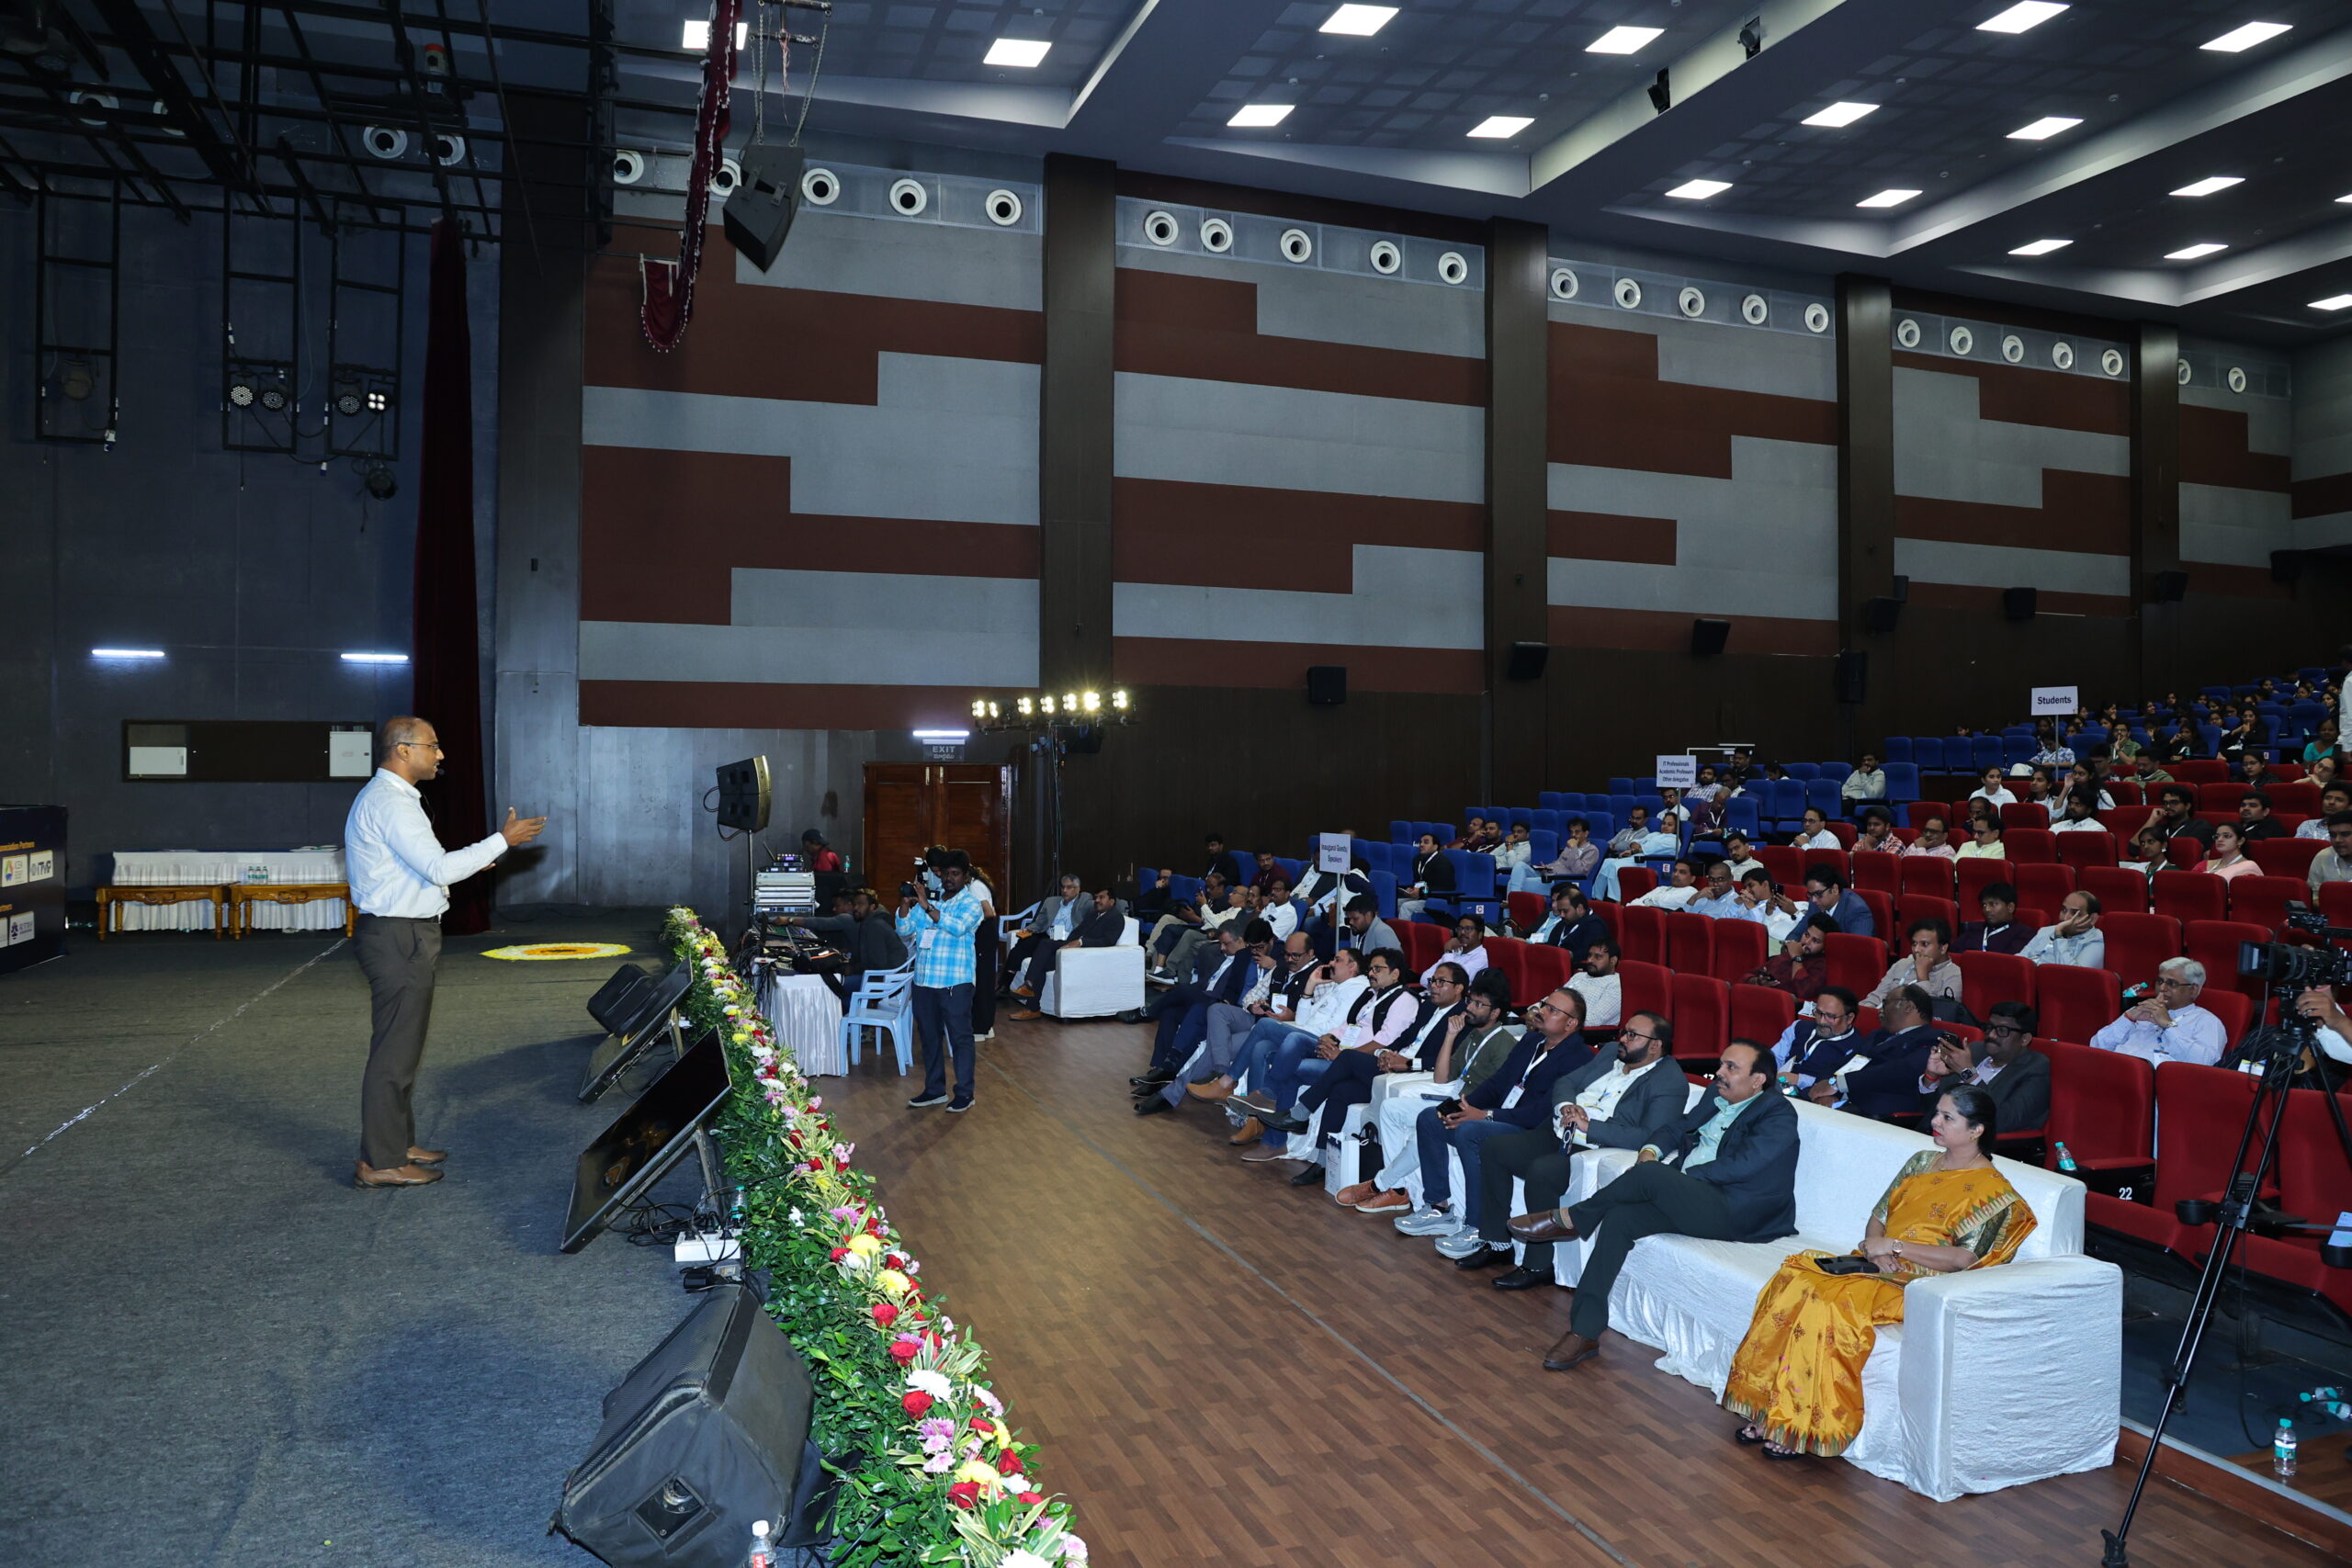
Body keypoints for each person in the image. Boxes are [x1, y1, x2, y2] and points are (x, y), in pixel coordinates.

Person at [1721, 1086, 2036, 1459]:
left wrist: (1895, 1248)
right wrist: (1876, 1245)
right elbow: (1879, 1216)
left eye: (1947, 1117)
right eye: (1937, 1112)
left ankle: (1799, 1425)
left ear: (1976, 1130)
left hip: (1921, 1282)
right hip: (1875, 1262)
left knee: (1830, 1301)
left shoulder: (1996, 1194)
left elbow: (1965, 1261)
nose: (1935, 1121)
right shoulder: (1922, 1162)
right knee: (1794, 1278)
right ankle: (1769, 1409)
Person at [1507, 1040, 1799, 1371]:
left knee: (1650, 1176)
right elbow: (1678, 1127)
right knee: (1620, 1218)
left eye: (1731, 1067)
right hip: (1695, 1196)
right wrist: (1651, 1150)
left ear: (1758, 1080)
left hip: (1737, 1210)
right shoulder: (1718, 1094)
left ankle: (1571, 1219)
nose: (1719, 1072)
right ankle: (1583, 1331)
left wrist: (1674, 1178)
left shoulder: (1777, 1112)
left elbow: (1745, 1165)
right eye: (1721, 1064)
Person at [344, 716, 546, 1189]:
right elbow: (437, 869)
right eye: (432, 746)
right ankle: (381, 1162)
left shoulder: (393, 798)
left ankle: (396, 1144)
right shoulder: (391, 803)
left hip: (402, 934)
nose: (440, 755)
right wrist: (502, 840)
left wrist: (473, 860)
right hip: (399, 937)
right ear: (403, 750)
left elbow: (419, 869)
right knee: (394, 1053)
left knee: (403, 1047)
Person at [1472, 1014, 1691, 1286]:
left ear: (1655, 1045)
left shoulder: (1669, 1082)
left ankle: (1537, 1265)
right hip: (1559, 1130)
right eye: (1624, 1032)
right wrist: (1567, 1106)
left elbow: (1648, 1136)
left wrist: (1590, 1127)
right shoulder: (1611, 1053)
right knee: (1495, 1148)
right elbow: (1567, 1083)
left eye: (1632, 1035)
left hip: (1591, 1145)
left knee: (1543, 1170)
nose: (1622, 1039)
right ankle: (1497, 1244)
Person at [1393, 988, 1591, 1257]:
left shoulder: (1579, 1058)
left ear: (1571, 1023)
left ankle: (1477, 1227)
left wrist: (1484, 1115)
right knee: (1432, 1117)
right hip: (1498, 1116)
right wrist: (1464, 1107)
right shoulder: (1531, 1040)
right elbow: (1498, 1082)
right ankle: (1438, 1208)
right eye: (1545, 1005)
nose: (1542, 1011)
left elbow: (1541, 1113)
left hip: (1528, 1130)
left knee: (1471, 1131)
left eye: (1552, 1010)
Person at [1338, 969, 1522, 1214]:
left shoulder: (1503, 1044)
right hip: (1453, 1099)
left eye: (1479, 1004)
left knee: (1423, 1133)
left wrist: (1464, 1108)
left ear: (1495, 1012)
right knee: (1390, 1108)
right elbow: (1441, 1077)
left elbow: (1497, 1095)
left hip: (1471, 1110)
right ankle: (1398, 1189)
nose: (1470, 1008)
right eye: (1471, 1001)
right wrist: (1450, 1036)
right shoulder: (1473, 1035)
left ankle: (1381, 1184)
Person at [1234, 948, 1422, 1176]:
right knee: (1292, 1040)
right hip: (1341, 1051)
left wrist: (1341, 1054)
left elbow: (1385, 1040)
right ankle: (1268, 1098)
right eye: (1371, 968)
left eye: (1378, 969)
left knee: (1296, 1068)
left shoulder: (1404, 1000)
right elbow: (1348, 1026)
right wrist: (1328, 1038)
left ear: (1395, 974)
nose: (1372, 973)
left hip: (1360, 1062)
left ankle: (1274, 1139)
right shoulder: (1371, 994)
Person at [1279, 960, 1473, 1159]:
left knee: (1348, 1057)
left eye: (1441, 982)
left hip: (1414, 1074)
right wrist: (1384, 1054)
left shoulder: (1463, 1020)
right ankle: (1323, 1161)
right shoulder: (1428, 1007)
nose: (1433, 986)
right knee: (1340, 1090)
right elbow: (1403, 1038)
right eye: (1432, 981)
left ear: (1458, 988)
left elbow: (1450, 1061)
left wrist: (1407, 1064)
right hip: (1392, 1065)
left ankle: (1301, 1112)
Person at [1126, 918, 1265, 1088]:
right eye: (1221, 943)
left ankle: (1148, 1013)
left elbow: (1234, 993)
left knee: (1187, 994)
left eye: (1226, 944)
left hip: (1218, 1005)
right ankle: (1159, 1068)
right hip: (1204, 998)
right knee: (1170, 1013)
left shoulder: (1246, 961)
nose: (1222, 948)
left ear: (1240, 941)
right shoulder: (1222, 956)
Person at [899, 850, 988, 1111]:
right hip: (924, 981)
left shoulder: (971, 904)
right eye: (945, 874)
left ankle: (965, 1093)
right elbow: (904, 930)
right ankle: (935, 1090)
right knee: (929, 1038)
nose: (949, 878)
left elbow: (957, 928)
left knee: (960, 1039)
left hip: (954, 983)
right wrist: (905, 906)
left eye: (955, 874)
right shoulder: (931, 899)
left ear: (966, 876)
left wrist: (927, 906)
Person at [1792, 985, 1940, 1120]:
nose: (1880, 1010)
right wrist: (1827, 1091)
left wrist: (1839, 1084)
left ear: (1908, 1007)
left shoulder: (1932, 1039)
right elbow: (1839, 1065)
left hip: (1877, 1112)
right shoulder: (1877, 1035)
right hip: (1841, 1103)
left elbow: (1899, 1071)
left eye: (1886, 1003)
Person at [1920, 1001, 2049, 1131]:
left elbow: (2005, 1120)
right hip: (1930, 1132)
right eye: (1989, 1027)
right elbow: (1931, 1107)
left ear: (2024, 1039)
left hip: (1978, 1140)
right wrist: (1931, 1078)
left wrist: (1970, 1075)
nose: (1991, 1035)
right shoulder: (1975, 1050)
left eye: (2002, 1030)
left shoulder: (2035, 1068)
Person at [2089, 957, 2227, 1065]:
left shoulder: (2206, 1021)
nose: (2162, 988)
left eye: (2172, 983)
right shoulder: (2141, 1010)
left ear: (2193, 990)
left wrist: (2168, 1025)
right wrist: (2128, 1019)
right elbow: (2096, 1047)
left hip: (2155, 1086)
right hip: (2113, 1071)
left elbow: (2206, 1063)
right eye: (2160, 981)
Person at [800, 886, 908, 1005]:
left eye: (861, 904)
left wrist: (851, 969)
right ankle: (851, 1012)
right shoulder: (867, 923)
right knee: (835, 985)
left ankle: (850, 1013)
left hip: (884, 979)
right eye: (855, 904)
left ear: (872, 907)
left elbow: (877, 964)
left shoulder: (876, 926)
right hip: (876, 975)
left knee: (832, 987)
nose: (856, 908)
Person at [1001, 874, 1086, 996]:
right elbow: (1040, 922)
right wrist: (1028, 929)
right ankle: (1005, 985)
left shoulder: (1083, 903)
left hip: (1067, 939)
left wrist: (1080, 895)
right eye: (1063, 887)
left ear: (1078, 889)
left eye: (1069, 887)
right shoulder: (1051, 902)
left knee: (1044, 945)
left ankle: (1028, 984)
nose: (1065, 890)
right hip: (1048, 935)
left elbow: (1089, 899)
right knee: (1023, 944)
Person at [1861, 919, 1962, 1010]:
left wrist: (1923, 977)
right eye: (1914, 944)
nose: (1916, 950)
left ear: (1943, 948)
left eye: (1925, 944)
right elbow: (1876, 997)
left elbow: (1935, 1014)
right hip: (1882, 1017)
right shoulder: (1902, 964)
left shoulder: (1954, 975)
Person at [1747, 911, 1836, 1002]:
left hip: (1784, 1006)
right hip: (1760, 999)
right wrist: (1758, 981)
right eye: (1806, 935)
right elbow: (1748, 976)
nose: (1807, 942)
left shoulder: (1822, 965)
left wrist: (1797, 958)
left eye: (1815, 941)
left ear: (1825, 947)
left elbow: (1803, 991)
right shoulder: (1788, 954)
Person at [1514, 817, 1600, 895]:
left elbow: (1579, 872)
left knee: (1516, 882)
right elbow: (1559, 863)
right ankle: (1513, 899)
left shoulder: (1591, 850)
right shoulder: (1570, 846)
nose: (1573, 835)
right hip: (1549, 874)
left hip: (1561, 881)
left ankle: (1512, 900)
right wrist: (1546, 867)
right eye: (1571, 832)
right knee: (1520, 865)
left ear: (1586, 833)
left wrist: (1574, 848)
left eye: (1577, 832)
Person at [2020, 890, 2105, 968]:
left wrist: (2059, 937)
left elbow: (2072, 974)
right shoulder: (2046, 931)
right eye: (2064, 910)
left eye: (2075, 913)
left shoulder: (2096, 941)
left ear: (2093, 919)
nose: (2065, 918)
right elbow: (2020, 959)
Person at [1954, 883, 2031, 955]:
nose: (1987, 909)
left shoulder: (2024, 934)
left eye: (1993, 904)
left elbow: (2009, 961)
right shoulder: (1974, 929)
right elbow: (1954, 955)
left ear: (2010, 907)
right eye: (1984, 905)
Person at [1397, 832, 1457, 924]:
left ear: (1435, 846)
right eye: (1421, 842)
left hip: (1436, 900)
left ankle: (1404, 933)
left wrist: (1421, 891)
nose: (1421, 844)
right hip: (1422, 897)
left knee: (1406, 906)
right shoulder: (1417, 859)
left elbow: (1446, 888)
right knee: (1396, 903)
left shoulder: (1443, 862)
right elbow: (1420, 881)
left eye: (1426, 842)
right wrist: (1413, 889)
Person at [1805, 865, 1874, 939]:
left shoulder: (1857, 911)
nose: (1814, 900)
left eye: (1818, 894)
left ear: (1834, 889)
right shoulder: (1815, 903)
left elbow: (1858, 945)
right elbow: (1799, 933)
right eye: (1811, 894)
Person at [2143, 784, 2215, 852]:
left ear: (2187, 806)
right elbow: (2136, 847)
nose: (2168, 806)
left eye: (2174, 802)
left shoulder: (2201, 826)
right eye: (2165, 803)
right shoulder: (2161, 828)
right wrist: (2152, 819)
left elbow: (2187, 850)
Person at [1629, 857, 1703, 909]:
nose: (1676, 874)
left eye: (1682, 872)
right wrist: (1649, 903)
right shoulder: (1661, 888)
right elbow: (1633, 903)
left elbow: (1662, 902)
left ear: (1692, 879)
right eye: (1675, 871)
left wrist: (1646, 901)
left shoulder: (1691, 892)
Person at [2311, 813, 2352, 898]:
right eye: (2333, 835)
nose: (2338, 840)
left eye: (2345, 834)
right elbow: (2314, 897)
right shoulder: (2323, 856)